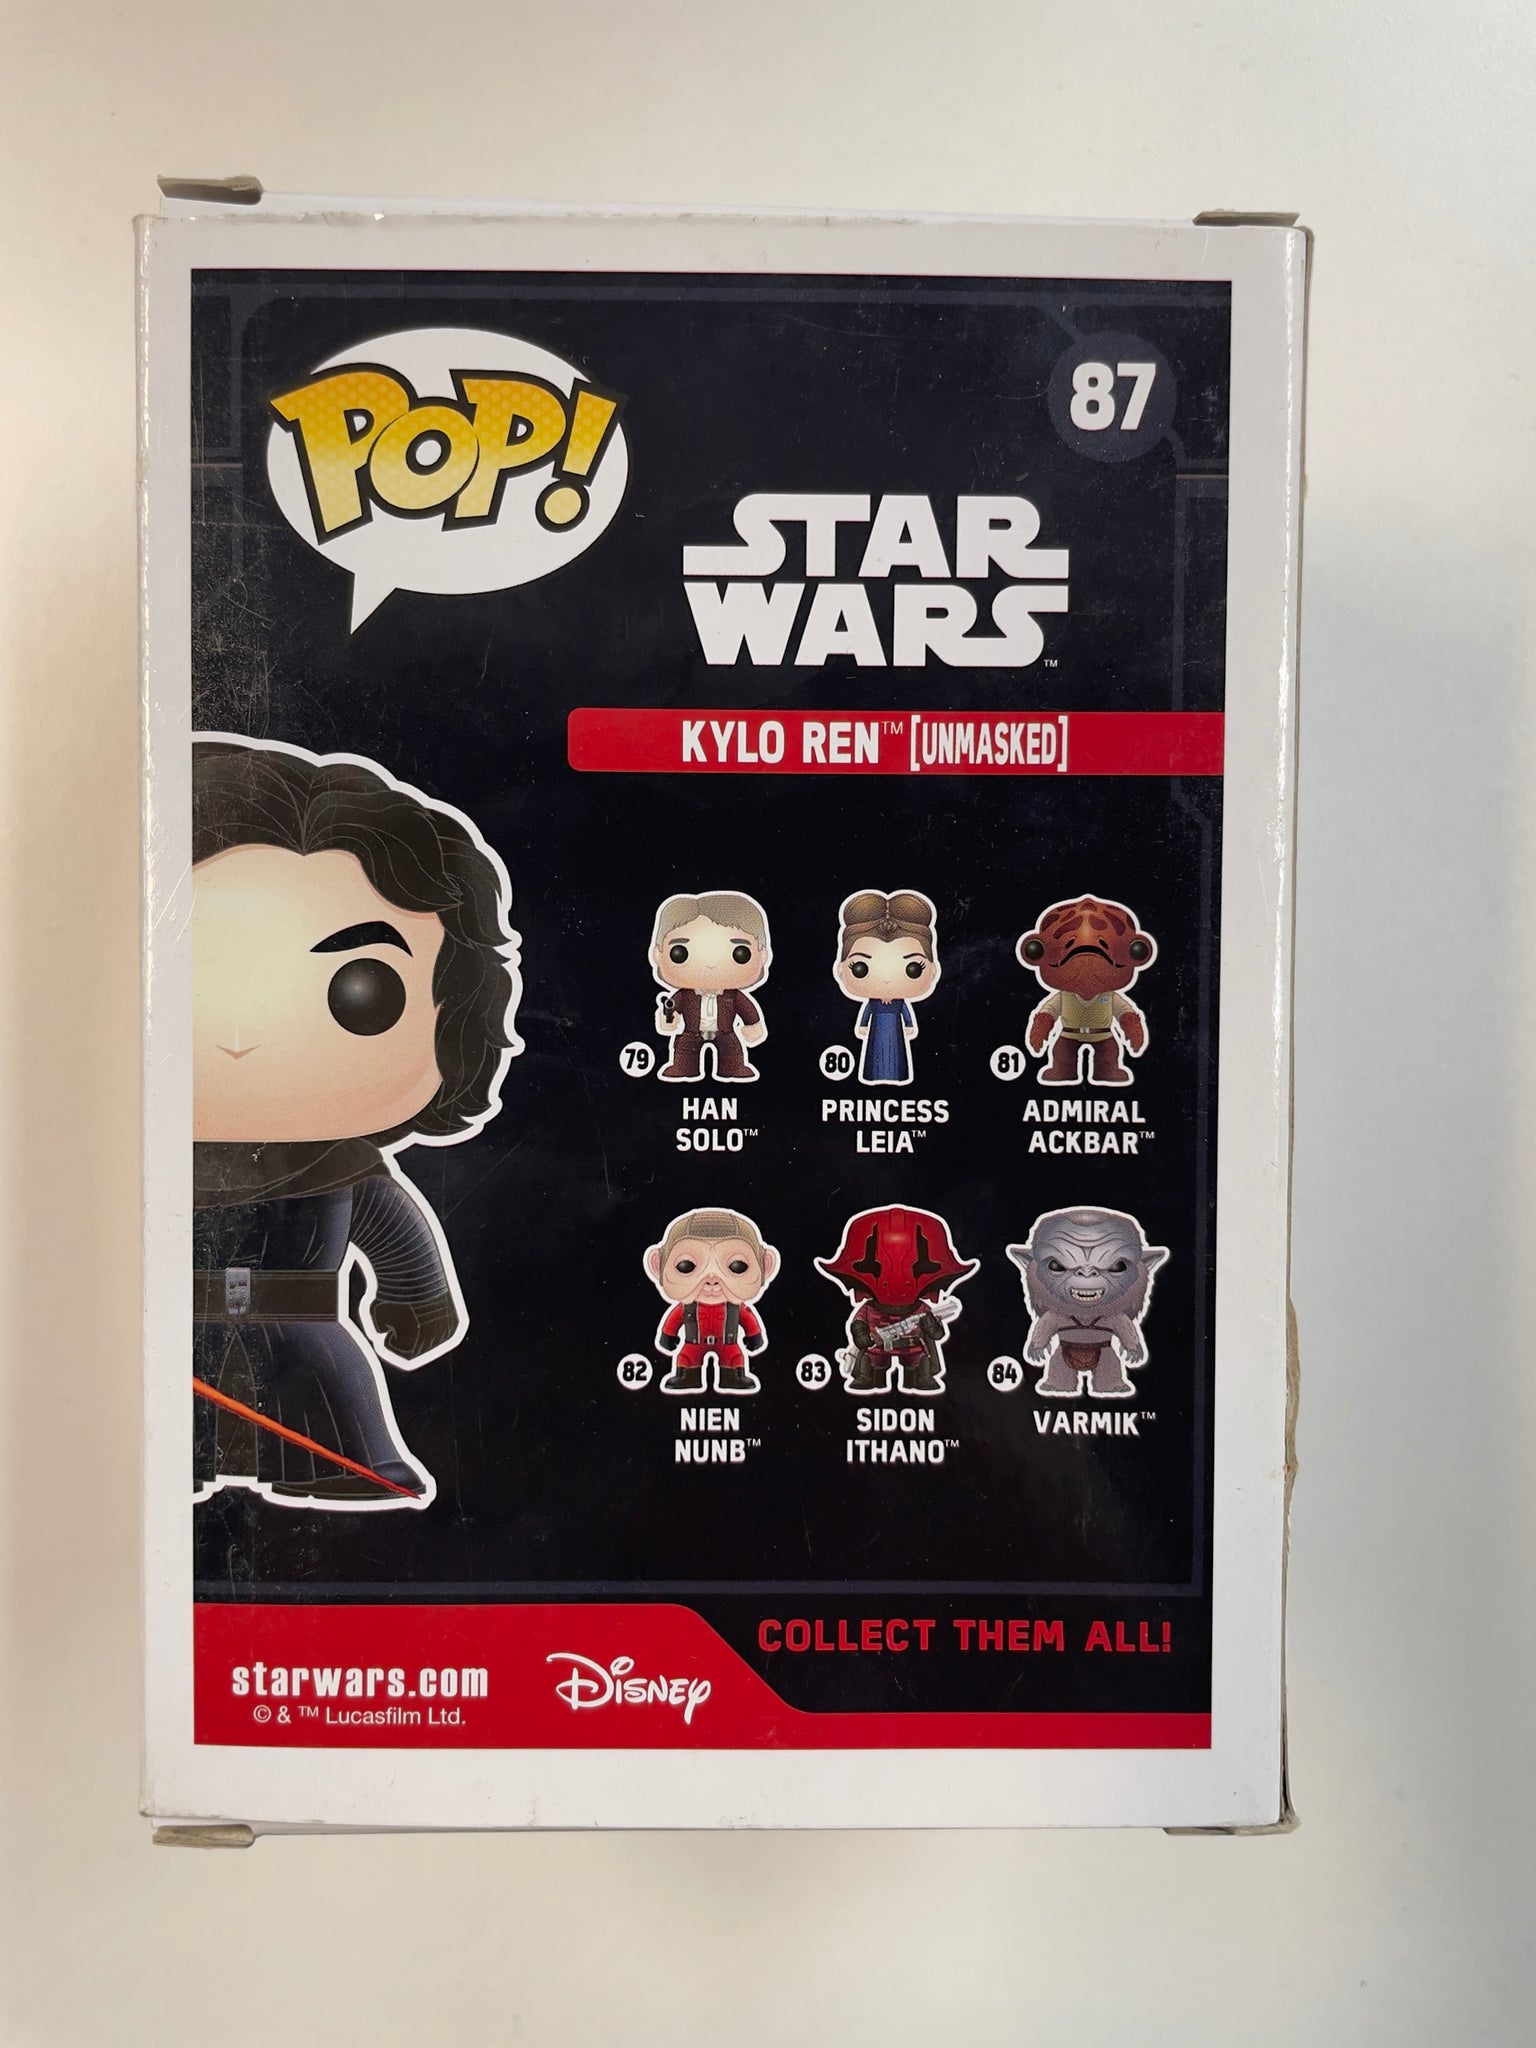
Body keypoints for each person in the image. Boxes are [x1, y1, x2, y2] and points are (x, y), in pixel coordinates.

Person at [191, 735, 520, 1508]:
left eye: (362, 989)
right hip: (163, 1343)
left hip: (307, 1335)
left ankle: (346, 1469)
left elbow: (392, 1231)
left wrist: (417, 1302)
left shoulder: (341, 1165)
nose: (242, 1038)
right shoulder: (123, 1163)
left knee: (330, 1412)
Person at [644, 1208, 779, 1395]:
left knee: (734, 1357)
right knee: (687, 1358)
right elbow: (674, 1319)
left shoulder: (736, 1307)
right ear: (657, 1265)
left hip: (728, 1343)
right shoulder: (687, 1306)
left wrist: (754, 1336)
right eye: (686, 1266)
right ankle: (688, 1376)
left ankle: (732, 1376)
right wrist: (668, 1335)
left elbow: (748, 1319)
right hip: (693, 1343)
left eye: (737, 1266)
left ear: (766, 1266)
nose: (712, 1280)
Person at [649, 891, 771, 1082]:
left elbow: (747, 1010)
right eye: (680, 952)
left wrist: (752, 1025)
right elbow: (670, 1013)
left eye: (740, 953)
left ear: (762, 956)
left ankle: (734, 1068)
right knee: (684, 1052)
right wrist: (669, 1018)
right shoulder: (683, 996)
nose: (711, 964)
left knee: (732, 1052)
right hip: (691, 1033)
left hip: (726, 1033)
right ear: (658, 955)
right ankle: (683, 1067)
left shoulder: (733, 996)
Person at [832, 889, 941, 1086]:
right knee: (875, 1054)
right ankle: (875, 1075)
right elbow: (867, 1012)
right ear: (841, 970)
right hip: (876, 1029)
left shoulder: (900, 1003)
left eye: (913, 968)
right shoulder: (872, 1003)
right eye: (860, 968)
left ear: (933, 970)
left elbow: (905, 1012)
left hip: (895, 1030)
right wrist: (863, 1025)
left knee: (896, 1054)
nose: (888, 979)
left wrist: (909, 1025)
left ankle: (895, 1075)